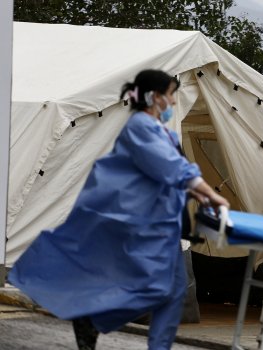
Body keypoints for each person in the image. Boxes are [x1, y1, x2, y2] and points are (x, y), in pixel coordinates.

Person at [9, 69, 229, 350]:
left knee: (173, 294)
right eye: (171, 94)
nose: (174, 102)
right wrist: (210, 194)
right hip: (141, 225)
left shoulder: (161, 130)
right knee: (155, 291)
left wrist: (203, 194)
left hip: (165, 225)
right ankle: (94, 318)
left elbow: (180, 168)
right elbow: (169, 167)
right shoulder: (139, 127)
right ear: (153, 97)